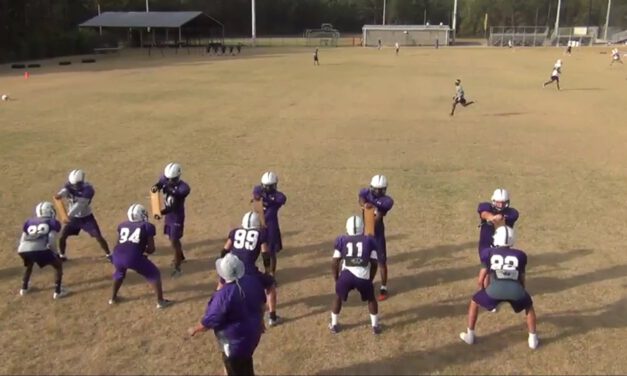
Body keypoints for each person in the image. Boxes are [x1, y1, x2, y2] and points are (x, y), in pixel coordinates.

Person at [459, 226, 539, 350]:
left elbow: (481, 279)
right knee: (529, 306)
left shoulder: (489, 253)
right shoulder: (521, 255)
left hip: (494, 290)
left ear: (497, 238)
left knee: (474, 301)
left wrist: (484, 294)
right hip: (516, 290)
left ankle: (470, 335)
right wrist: (522, 293)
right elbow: (522, 278)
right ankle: (533, 339)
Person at [188, 254, 266, 376]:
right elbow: (262, 305)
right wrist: (261, 323)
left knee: (236, 368)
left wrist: (194, 329)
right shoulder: (252, 281)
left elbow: (210, 320)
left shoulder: (224, 295)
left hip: (235, 344)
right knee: (245, 364)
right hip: (253, 336)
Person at [220, 211, 280, 327]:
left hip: (231, 266)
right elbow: (265, 254)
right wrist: (268, 271)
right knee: (270, 285)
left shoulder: (235, 232)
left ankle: (219, 309)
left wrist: (224, 266)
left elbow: (224, 251)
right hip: (247, 268)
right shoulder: (261, 233)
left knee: (221, 286)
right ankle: (272, 317)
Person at [109, 204, 172, 309]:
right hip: (132, 257)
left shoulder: (122, 225)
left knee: (119, 273)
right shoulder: (147, 226)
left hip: (117, 255)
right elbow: (151, 249)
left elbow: (119, 243)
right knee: (154, 273)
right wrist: (142, 253)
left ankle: (113, 298)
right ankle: (160, 302)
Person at [329, 215, 381, 334]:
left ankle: (334, 324)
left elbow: (335, 261)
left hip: (346, 276)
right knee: (371, 298)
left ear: (347, 228)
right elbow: (374, 263)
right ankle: (375, 326)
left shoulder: (342, 240)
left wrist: (337, 278)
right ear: (362, 228)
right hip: (363, 276)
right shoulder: (369, 240)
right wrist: (370, 279)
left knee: (338, 297)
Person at [55, 169, 111, 262]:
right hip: (74, 218)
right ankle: (62, 255)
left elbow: (80, 205)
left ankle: (108, 254)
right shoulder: (70, 185)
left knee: (98, 236)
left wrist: (68, 215)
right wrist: (60, 195)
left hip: (86, 218)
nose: (74, 186)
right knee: (63, 236)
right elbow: (65, 190)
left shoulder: (88, 190)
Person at [17, 202, 68, 299]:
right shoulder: (53, 222)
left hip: (23, 248)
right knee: (58, 266)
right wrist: (55, 253)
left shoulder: (29, 221)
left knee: (29, 265)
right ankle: (58, 291)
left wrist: (24, 248)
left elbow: (23, 238)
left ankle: (24, 288)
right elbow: (52, 239)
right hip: (39, 248)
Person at [151, 162, 191, 277]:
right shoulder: (166, 179)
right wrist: (155, 187)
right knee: (171, 238)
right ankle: (181, 256)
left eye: (171, 179)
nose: (169, 181)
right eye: (168, 179)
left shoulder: (183, 189)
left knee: (174, 240)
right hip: (169, 216)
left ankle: (178, 266)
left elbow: (173, 207)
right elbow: (159, 184)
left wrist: (160, 212)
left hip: (176, 215)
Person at [359, 175, 394, 301]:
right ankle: (367, 282)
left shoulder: (387, 201)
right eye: (376, 189)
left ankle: (383, 287)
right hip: (366, 234)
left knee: (381, 262)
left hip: (377, 235)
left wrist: (369, 208)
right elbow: (361, 197)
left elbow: (377, 219)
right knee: (365, 260)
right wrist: (364, 205)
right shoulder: (366, 192)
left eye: (381, 190)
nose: (378, 192)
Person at [251, 171, 286, 278]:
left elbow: (282, 198)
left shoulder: (276, 197)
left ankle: (271, 274)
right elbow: (256, 191)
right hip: (259, 225)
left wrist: (267, 198)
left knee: (271, 253)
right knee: (253, 250)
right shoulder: (260, 191)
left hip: (270, 226)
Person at [476, 188, 519, 256]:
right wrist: (492, 217)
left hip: (503, 243)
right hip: (486, 241)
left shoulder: (512, 212)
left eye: (503, 203)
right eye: (498, 203)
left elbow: (512, 216)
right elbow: (484, 213)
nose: (501, 205)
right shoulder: (486, 206)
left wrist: (500, 217)